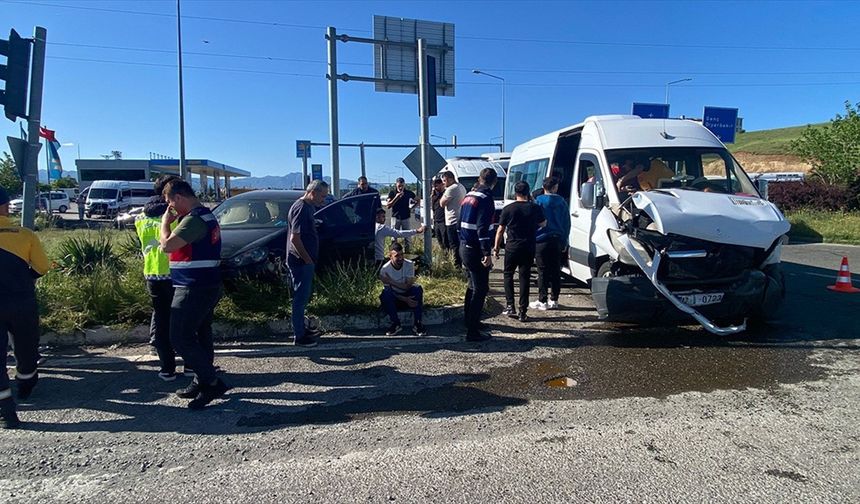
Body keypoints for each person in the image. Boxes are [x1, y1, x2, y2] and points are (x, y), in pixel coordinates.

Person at [159, 179, 228, 409]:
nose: (170, 208)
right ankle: (202, 379)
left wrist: (164, 222)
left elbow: (167, 245)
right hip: (204, 284)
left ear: (179, 197)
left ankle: (211, 382)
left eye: (170, 202)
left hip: (193, 287)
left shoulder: (194, 220)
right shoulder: (205, 216)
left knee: (179, 337)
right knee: (201, 333)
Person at [0, 186, 50, 428]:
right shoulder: (25, 234)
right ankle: (26, 382)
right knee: (26, 346)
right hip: (21, 302)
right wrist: (25, 277)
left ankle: (7, 414)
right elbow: (43, 267)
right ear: (6, 207)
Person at [135, 178, 184, 381]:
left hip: (152, 274)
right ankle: (190, 365)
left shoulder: (141, 217)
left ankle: (167, 369)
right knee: (183, 321)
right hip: (176, 272)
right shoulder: (175, 216)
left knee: (162, 321)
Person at [493, 181, 546, 322]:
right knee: (524, 277)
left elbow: (500, 230)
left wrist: (496, 248)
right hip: (528, 246)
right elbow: (543, 224)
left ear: (515, 192)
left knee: (508, 275)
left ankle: (510, 305)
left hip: (512, 247)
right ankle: (523, 310)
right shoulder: (535, 208)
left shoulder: (508, 209)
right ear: (528, 192)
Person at [287, 179, 329, 347]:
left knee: (302, 297)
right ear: (313, 192)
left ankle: (302, 328)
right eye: (322, 196)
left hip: (303, 260)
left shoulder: (306, 207)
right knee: (300, 298)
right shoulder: (301, 209)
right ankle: (299, 336)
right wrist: (307, 259)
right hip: (300, 261)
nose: (323, 200)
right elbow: (295, 238)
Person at [459, 168, 498, 342]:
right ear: (493, 182)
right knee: (481, 289)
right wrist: (486, 252)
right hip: (475, 248)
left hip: (464, 246)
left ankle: (470, 321)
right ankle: (472, 331)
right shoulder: (486, 198)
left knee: (472, 286)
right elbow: (483, 227)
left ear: (479, 179)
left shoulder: (470, 195)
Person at [531, 176, 571, 311]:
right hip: (557, 239)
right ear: (555, 187)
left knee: (542, 270)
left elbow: (534, 221)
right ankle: (554, 299)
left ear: (544, 187)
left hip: (541, 239)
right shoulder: (562, 202)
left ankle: (543, 300)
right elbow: (567, 223)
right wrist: (565, 240)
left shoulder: (538, 201)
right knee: (556, 271)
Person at [379, 242, 426, 337]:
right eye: (397, 256)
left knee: (417, 289)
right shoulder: (385, 270)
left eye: (402, 255)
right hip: (396, 298)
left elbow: (408, 286)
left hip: (407, 295)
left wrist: (391, 281)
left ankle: (417, 323)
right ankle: (395, 323)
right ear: (390, 256)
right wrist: (405, 300)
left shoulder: (409, 264)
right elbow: (390, 291)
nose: (400, 258)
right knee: (386, 294)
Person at [439, 171, 466, 267]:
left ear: (451, 179)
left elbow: (442, 203)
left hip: (452, 220)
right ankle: (461, 263)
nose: (443, 183)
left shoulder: (451, 189)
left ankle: (456, 265)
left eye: (445, 180)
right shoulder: (461, 186)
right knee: (459, 244)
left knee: (453, 245)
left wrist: (444, 193)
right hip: (459, 218)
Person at [386, 178, 419, 253]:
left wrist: (413, 208)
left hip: (406, 217)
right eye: (399, 186)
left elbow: (418, 200)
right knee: (394, 237)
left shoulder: (409, 193)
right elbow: (388, 206)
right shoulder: (392, 193)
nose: (400, 188)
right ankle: (394, 253)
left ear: (404, 185)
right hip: (395, 217)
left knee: (407, 237)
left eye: (402, 186)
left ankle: (407, 253)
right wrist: (396, 197)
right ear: (396, 185)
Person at [430, 178, 447, 251]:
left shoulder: (445, 194)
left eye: (437, 186)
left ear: (441, 185)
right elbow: (433, 207)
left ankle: (448, 255)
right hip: (436, 220)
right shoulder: (434, 196)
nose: (436, 188)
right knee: (439, 239)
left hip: (444, 220)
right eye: (434, 186)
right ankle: (443, 253)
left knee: (445, 240)